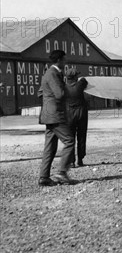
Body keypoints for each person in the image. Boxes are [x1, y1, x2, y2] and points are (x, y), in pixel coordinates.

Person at [38, 50, 75, 186]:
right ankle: (62, 172)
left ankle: (44, 177)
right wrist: (71, 90)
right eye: (64, 60)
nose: (65, 62)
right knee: (70, 141)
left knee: (50, 147)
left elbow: (40, 92)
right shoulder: (53, 73)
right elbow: (59, 94)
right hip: (56, 115)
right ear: (59, 60)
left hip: (49, 115)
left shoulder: (48, 73)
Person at [64, 67, 89, 168]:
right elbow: (84, 81)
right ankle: (80, 159)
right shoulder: (80, 85)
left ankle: (71, 161)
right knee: (81, 137)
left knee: (70, 138)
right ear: (75, 77)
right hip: (81, 114)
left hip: (69, 115)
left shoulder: (64, 87)